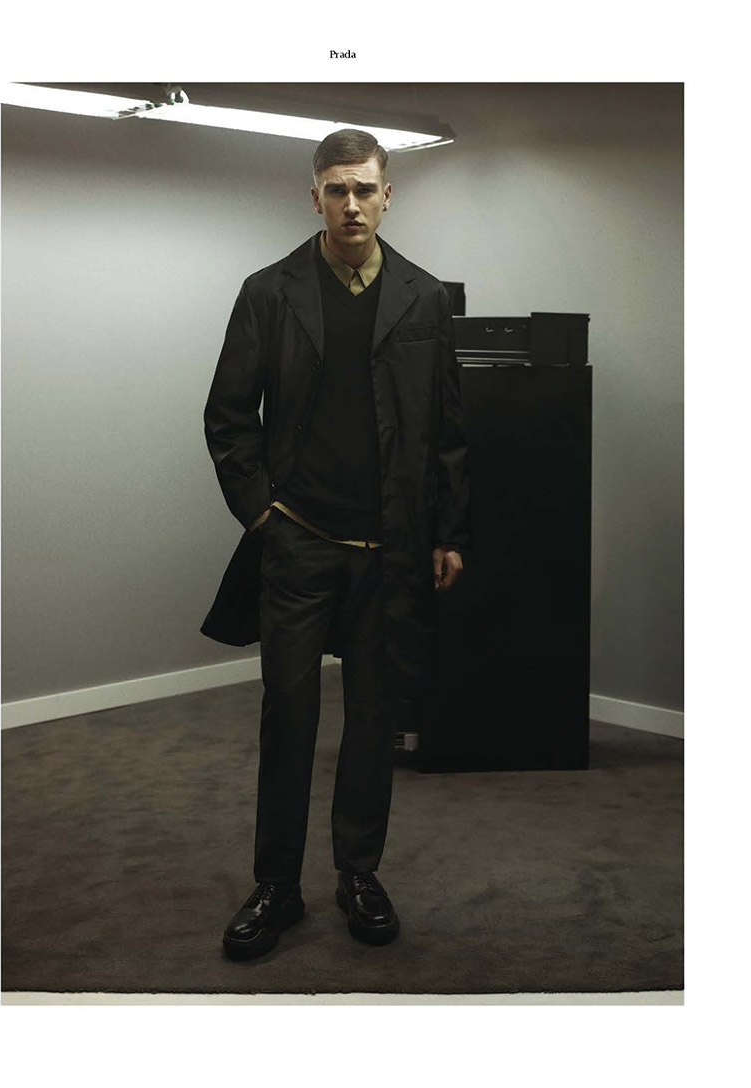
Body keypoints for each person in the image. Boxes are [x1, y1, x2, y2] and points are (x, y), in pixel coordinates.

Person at [202, 128, 469, 960]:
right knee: (289, 716)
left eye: (364, 189)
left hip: (391, 548)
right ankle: (277, 885)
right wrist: (262, 518)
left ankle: (359, 874)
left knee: (373, 720)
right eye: (336, 190)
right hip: (300, 546)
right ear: (313, 197)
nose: (351, 204)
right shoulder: (268, 292)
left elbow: (447, 430)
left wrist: (447, 532)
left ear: (388, 196)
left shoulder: (426, 297)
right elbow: (228, 417)